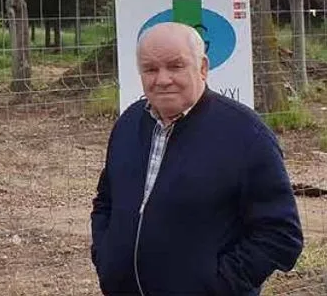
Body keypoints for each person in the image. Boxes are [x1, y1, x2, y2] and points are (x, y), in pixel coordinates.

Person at [90, 21, 302, 295]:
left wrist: (219, 285)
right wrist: (106, 258)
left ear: (202, 68)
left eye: (176, 66)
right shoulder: (129, 124)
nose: (162, 79)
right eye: (151, 69)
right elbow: (106, 201)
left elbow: (281, 234)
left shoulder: (245, 134)